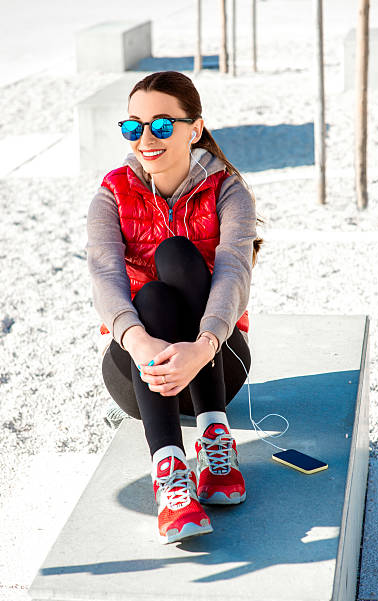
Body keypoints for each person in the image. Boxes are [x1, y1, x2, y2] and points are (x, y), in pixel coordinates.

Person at [87, 71, 260, 544]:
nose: (146, 138)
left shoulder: (228, 190)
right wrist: (139, 342)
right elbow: (104, 276)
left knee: (177, 254)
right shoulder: (112, 192)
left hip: (218, 363)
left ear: (194, 128)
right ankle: (171, 479)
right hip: (140, 373)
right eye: (134, 126)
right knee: (152, 298)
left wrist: (203, 347)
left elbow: (233, 273)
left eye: (162, 125)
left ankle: (214, 441)